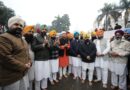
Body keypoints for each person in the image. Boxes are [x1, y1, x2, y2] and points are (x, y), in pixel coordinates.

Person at [0, 16, 31, 90]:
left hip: (23, 74)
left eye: (21, 25)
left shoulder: (22, 39)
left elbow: (27, 52)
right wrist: (24, 66)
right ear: (10, 25)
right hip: (11, 77)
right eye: (16, 24)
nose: (19, 27)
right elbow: (5, 58)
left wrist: (29, 61)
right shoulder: (4, 37)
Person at [32, 25, 50, 90]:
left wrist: (48, 45)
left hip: (46, 58)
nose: (44, 31)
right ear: (40, 30)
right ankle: (37, 88)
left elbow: (50, 48)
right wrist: (43, 44)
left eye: (45, 30)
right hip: (39, 59)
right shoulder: (36, 37)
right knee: (38, 74)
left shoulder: (47, 37)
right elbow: (33, 47)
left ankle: (44, 86)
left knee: (45, 73)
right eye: (43, 29)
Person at [23, 25, 35, 90]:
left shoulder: (32, 41)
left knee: (31, 78)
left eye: (32, 32)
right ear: (25, 32)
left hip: (32, 63)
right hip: (24, 64)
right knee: (25, 81)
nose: (31, 33)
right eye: (29, 31)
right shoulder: (22, 40)